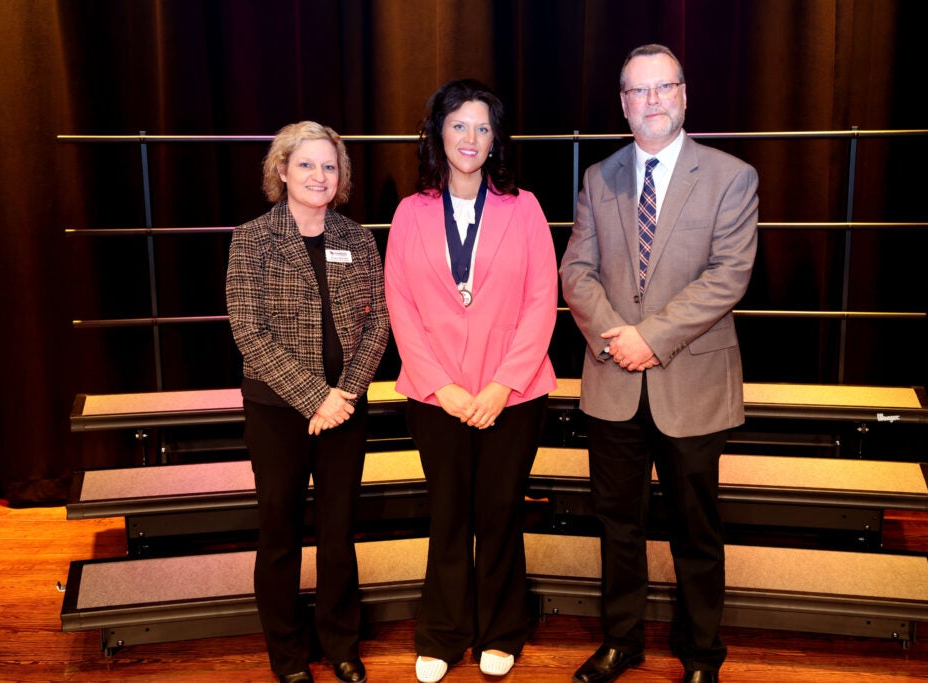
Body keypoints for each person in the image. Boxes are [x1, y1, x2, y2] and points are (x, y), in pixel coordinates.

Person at [560, 44, 758, 683]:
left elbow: (728, 276)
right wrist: (620, 338)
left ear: (684, 94)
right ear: (622, 103)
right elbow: (577, 271)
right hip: (613, 381)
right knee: (617, 526)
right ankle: (622, 641)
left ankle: (702, 653)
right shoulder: (599, 177)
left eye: (663, 88)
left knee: (696, 531)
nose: (652, 101)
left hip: (692, 383)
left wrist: (651, 337)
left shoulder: (732, 176)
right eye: (638, 91)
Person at [384, 79, 558, 683]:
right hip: (438, 398)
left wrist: (499, 387)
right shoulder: (411, 212)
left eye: (483, 128)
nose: (470, 138)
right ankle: (443, 632)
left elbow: (543, 301)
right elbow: (399, 305)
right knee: (449, 513)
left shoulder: (525, 207)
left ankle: (501, 630)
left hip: (513, 395)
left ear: (496, 140)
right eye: (459, 125)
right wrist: (444, 388)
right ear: (437, 133)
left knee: (501, 511)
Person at [226, 121, 389, 683]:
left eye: (330, 166)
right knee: (280, 533)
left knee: (340, 531)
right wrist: (315, 397)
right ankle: (288, 654)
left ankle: (341, 642)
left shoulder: (358, 238)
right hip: (278, 411)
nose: (319, 176)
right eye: (307, 165)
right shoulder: (251, 238)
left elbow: (380, 323)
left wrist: (345, 394)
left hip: (346, 407)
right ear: (281, 170)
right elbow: (249, 330)